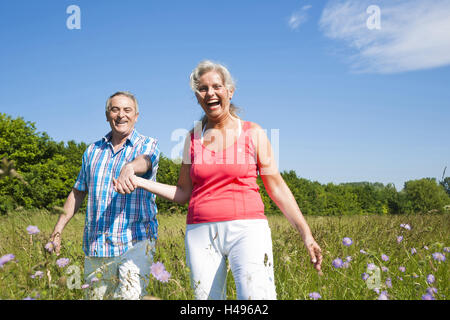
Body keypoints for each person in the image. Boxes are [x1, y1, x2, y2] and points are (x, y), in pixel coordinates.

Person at [114, 60, 323, 300]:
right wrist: (139, 182)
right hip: (200, 231)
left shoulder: (253, 132)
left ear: (230, 91)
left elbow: (276, 187)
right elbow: (183, 193)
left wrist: (306, 234)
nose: (210, 93)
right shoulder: (192, 138)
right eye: (203, 88)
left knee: (256, 299)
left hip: (247, 229)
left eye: (216, 86)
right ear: (197, 96)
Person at [49, 91, 160, 300]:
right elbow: (78, 191)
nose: (121, 115)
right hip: (97, 245)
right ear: (107, 114)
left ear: (136, 116)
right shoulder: (92, 151)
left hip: (135, 242)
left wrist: (130, 167)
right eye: (115, 109)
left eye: (127, 110)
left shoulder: (147, 144)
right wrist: (58, 229)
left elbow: (145, 161)